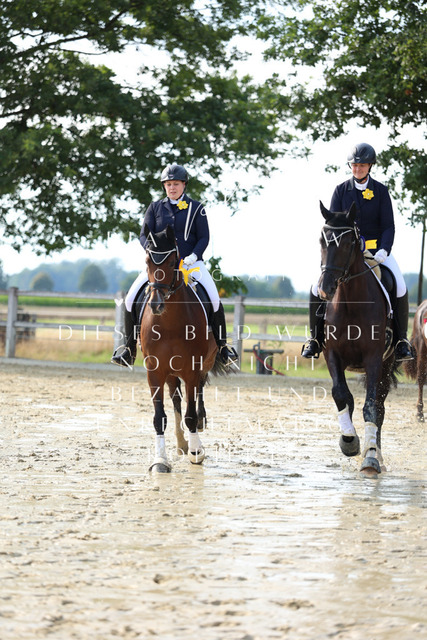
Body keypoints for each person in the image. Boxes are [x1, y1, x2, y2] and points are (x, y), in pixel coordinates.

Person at [111, 163, 238, 368]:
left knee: (214, 299)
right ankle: (128, 348)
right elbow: (143, 235)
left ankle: (223, 347)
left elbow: (204, 237)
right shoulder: (155, 207)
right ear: (164, 186)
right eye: (168, 184)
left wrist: (194, 256)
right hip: (160, 266)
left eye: (176, 184)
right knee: (130, 298)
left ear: (184, 185)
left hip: (191, 264)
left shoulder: (197, 208)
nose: (172, 188)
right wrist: (151, 252)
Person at [302, 142, 414, 361]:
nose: (357, 169)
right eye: (354, 165)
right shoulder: (340, 190)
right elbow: (333, 224)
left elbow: (388, 226)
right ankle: (315, 339)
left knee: (400, 285)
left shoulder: (380, 191)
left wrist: (384, 250)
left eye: (362, 165)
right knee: (316, 288)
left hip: (376, 250)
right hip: (346, 254)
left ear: (370, 166)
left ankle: (401, 340)